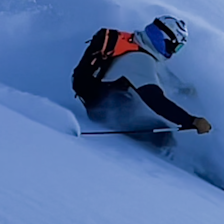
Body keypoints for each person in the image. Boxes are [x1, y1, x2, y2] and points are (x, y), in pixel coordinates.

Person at [81, 16, 212, 142]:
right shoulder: (140, 60)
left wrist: (183, 88)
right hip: (105, 112)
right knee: (163, 135)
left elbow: (160, 73)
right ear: (165, 40)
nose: (174, 52)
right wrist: (192, 121)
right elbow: (156, 101)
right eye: (176, 47)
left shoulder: (138, 44)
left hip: (116, 100)